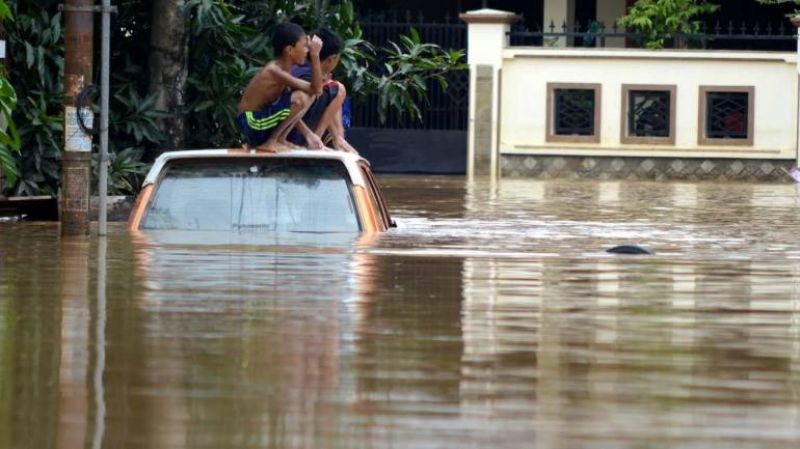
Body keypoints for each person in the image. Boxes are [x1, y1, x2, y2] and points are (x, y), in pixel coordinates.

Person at [237, 22, 324, 152]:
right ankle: (271, 141)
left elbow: (314, 91)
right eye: (305, 46)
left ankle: (280, 139)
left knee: (308, 96)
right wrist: (315, 55)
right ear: (289, 50)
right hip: (251, 123)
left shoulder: (285, 70)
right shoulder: (275, 70)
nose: (307, 50)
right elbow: (316, 89)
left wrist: (308, 134)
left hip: (261, 120)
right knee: (300, 97)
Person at [290, 28, 358, 154]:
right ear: (332, 59)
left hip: (293, 131)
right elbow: (288, 109)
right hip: (292, 133)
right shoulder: (305, 74)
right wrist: (310, 135)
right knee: (338, 89)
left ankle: (333, 140)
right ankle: (318, 138)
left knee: (333, 90)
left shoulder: (302, 69)